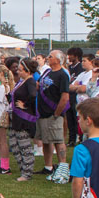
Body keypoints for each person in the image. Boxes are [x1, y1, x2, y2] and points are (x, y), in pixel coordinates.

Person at [38, 50, 71, 183]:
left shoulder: (63, 75)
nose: (48, 58)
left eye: (50, 56)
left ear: (58, 60)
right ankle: (48, 166)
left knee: (58, 140)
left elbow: (65, 96)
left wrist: (57, 113)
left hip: (54, 113)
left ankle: (62, 167)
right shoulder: (47, 72)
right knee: (46, 140)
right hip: (43, 112)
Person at [9, 58, 39, 182]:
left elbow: (33, 95)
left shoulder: (30, 81)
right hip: (16, 118)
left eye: (21, 70)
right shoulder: (22, 82)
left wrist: (25, 104)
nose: (18, 72)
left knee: (24, 146)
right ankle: (23, 168)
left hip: (24, 119)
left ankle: (27, 172)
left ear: (28, 71)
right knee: (14, 144)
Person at [0, 64, 14, 175]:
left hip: (0, 116)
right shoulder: (5, 87)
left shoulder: (1, 88)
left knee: (2, 142)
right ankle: (3, 165)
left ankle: (5, 166)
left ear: (1, 73)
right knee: (0, 141)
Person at [65, 47, 85, 145]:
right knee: (69, 118)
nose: (69, 57)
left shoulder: (80, 68)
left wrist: (74, 86)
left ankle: (79, 137)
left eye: (71, 55)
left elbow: (78, 83)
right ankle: (71, 139)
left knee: (76, 117)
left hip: (76, 96)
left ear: (76, 56)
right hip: (69, 96)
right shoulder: (69, 68)